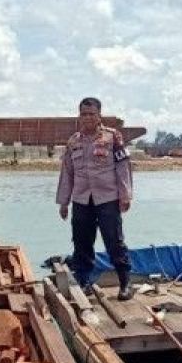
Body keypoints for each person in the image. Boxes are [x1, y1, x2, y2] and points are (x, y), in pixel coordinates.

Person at [56, 97, 134, 300]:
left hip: (107, 197)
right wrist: (64, 202)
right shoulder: (73, 141)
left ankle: (125, 283)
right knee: (82, 242)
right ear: (79, 116)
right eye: (84, 114)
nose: (88, 118)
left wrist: (125, 195)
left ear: (99, 115)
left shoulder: (113, 137)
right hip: (82, 199)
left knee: (114, 241)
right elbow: (67, 173)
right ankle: (84, 282)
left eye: (92, 114)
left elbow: (123, 167)